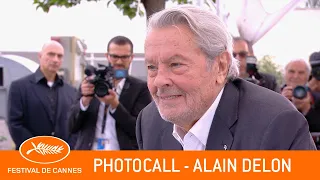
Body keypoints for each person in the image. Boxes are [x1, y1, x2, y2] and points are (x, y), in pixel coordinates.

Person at [136, 5, 316, 150]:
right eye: (152, 67)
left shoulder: (277, 123)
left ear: (221, 66)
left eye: (176, 65)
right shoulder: (149, 121)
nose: (159, 81)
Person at [69, 36, 152, 150]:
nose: (119, 61)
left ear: (131, 57)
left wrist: (115, 105)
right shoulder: (90, 83)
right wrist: (85, 101)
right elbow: (71, 127)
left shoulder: (140, 88)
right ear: (107, 56)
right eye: (114, 56)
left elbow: (140, 131)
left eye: (124, 57)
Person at [7, 40, 78, 150]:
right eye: (51, 54)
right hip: (30, 157)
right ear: (40, 56)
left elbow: (75, 126)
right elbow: (15, 124)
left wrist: (67, 149)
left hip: (63, 157)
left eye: (59, 56)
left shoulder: (71, 91)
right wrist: (39, 150)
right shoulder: (19, 87)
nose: (55, 59)